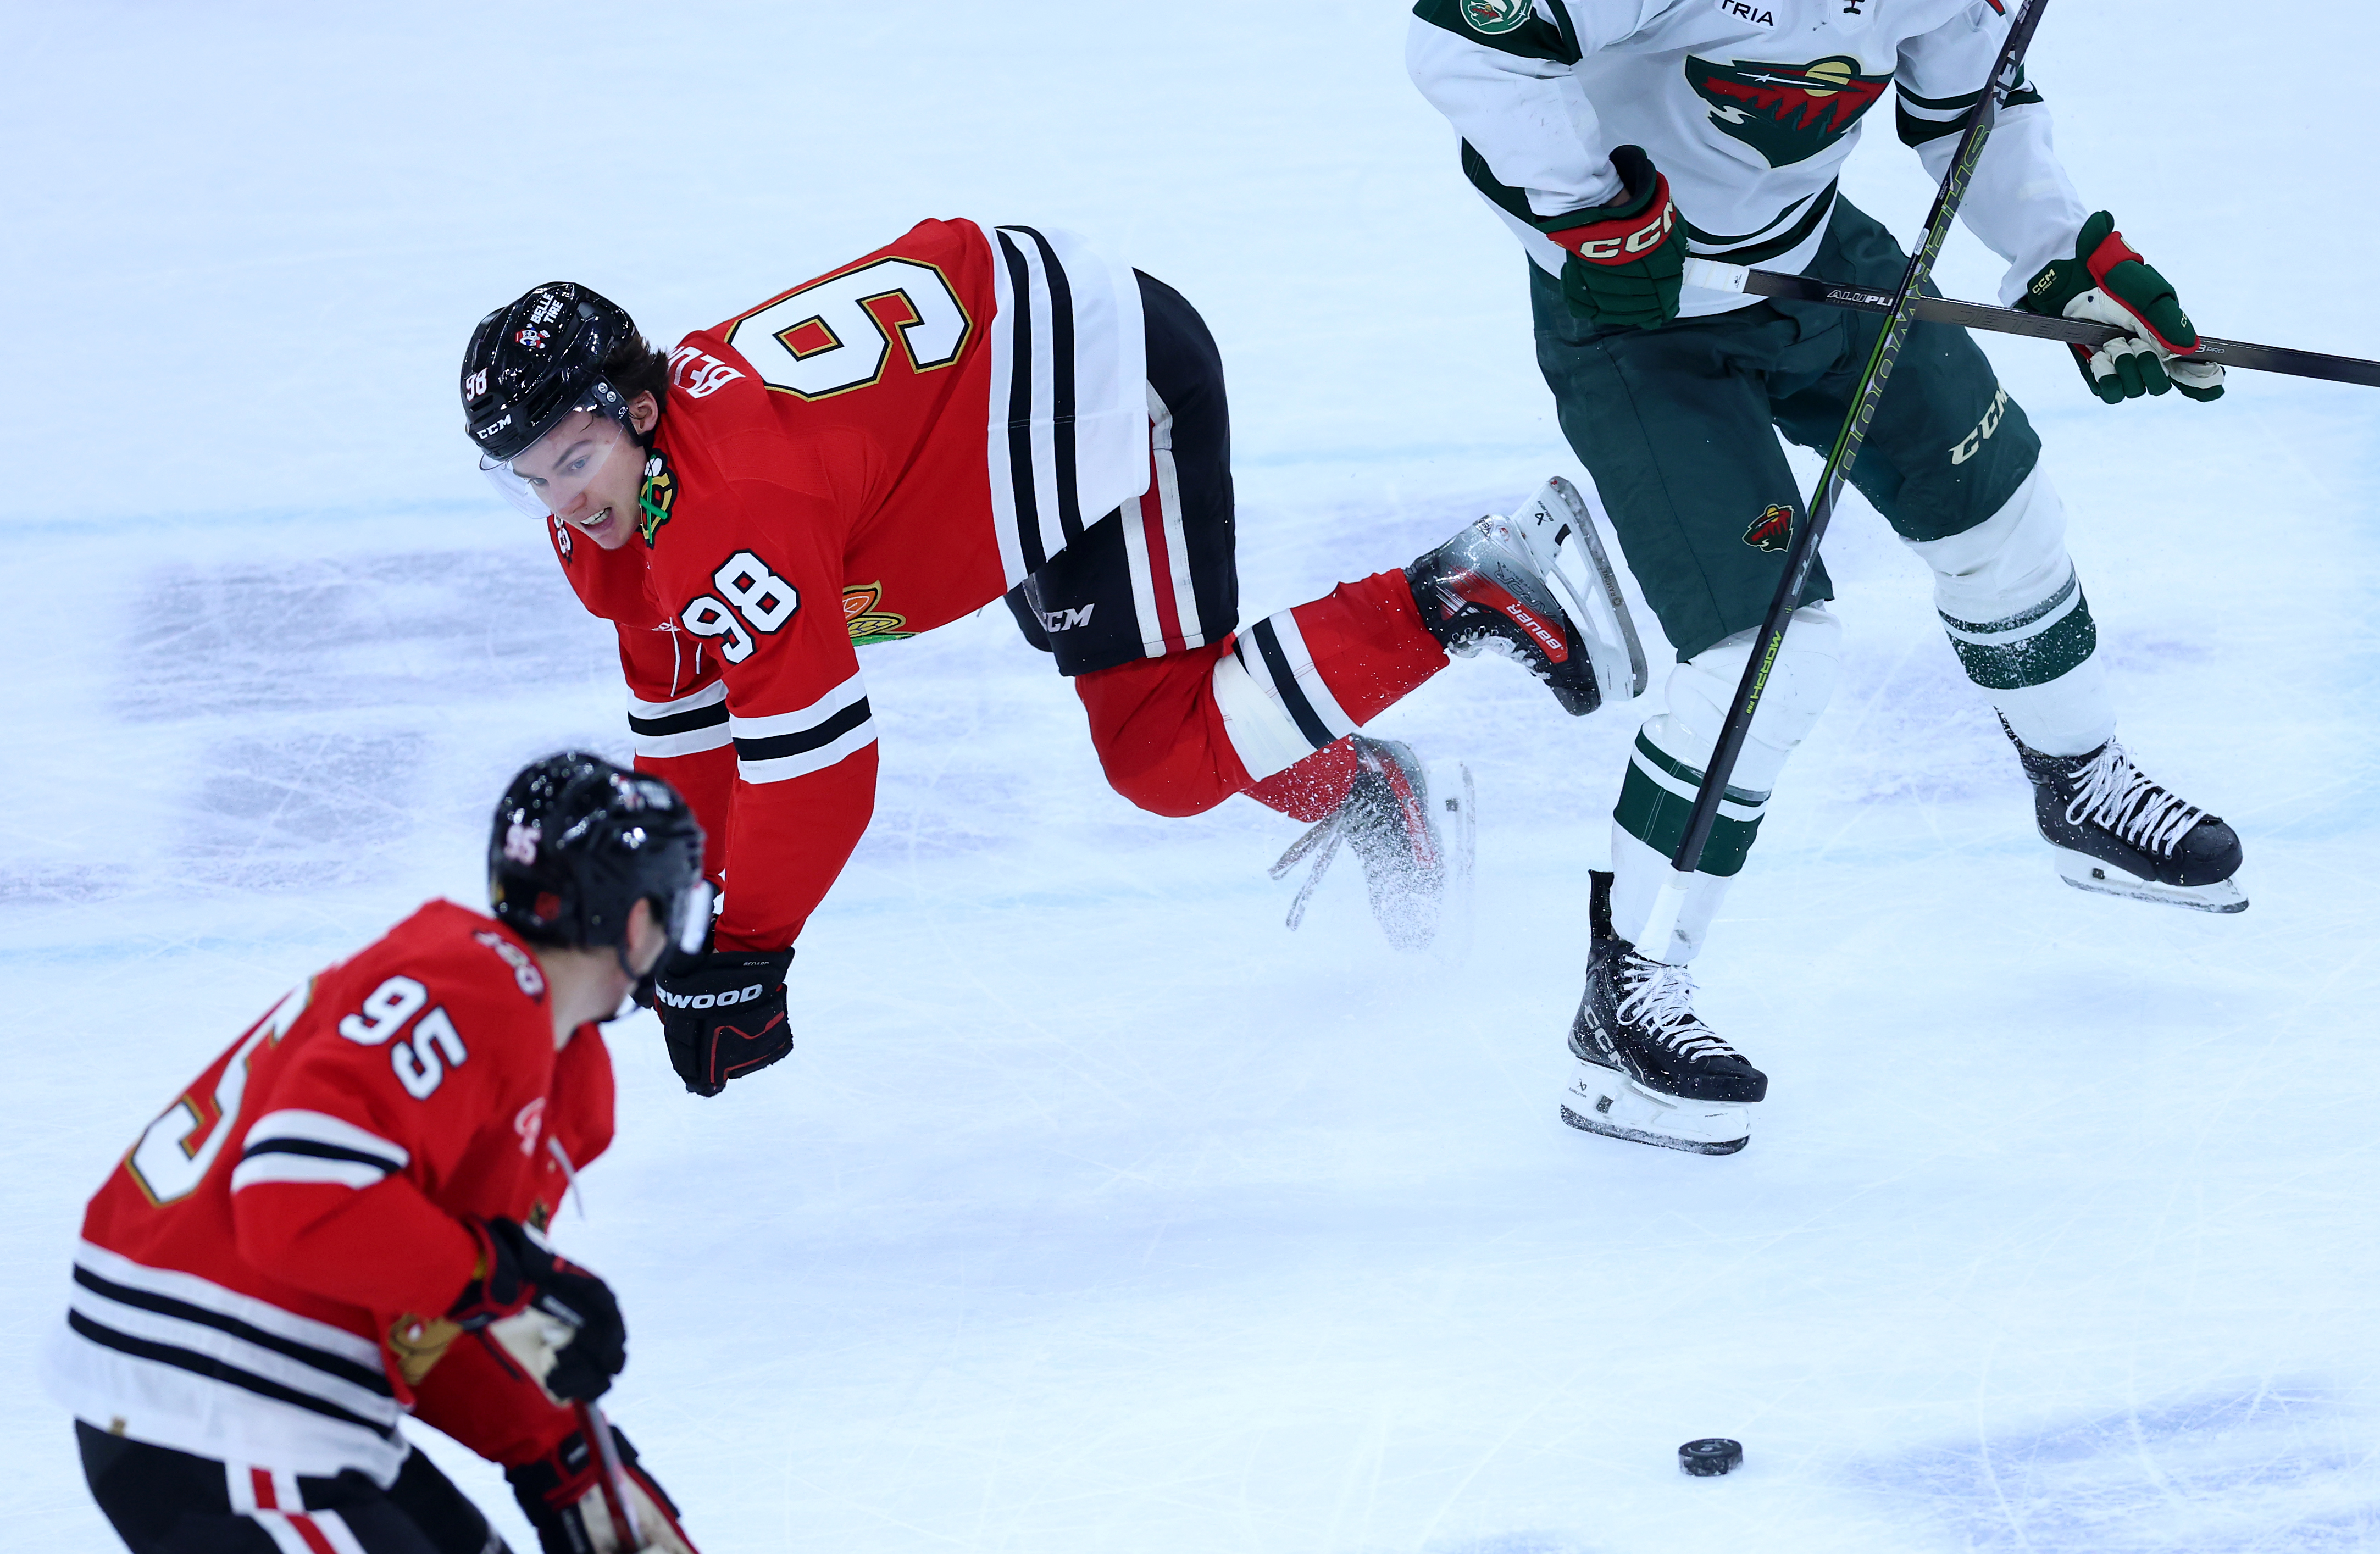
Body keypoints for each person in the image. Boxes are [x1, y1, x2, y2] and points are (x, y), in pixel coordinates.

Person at [459, 220, 1648, 1097]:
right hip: (988, 417)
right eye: (531, 478)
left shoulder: (725, 515)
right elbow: (688, 728)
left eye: (574, 461)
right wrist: (672, 923)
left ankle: (1466, 591)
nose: (564, 502)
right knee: (1164, 711)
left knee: (1166, 749)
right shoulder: (626, 512)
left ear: (642, 415)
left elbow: (818, 772)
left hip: (1098, 386)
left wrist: (753, 946)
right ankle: (1381, 790)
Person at [1406, 0, 2245, 1154]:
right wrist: (1589, 209)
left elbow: (1973, 110)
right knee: (1766, 658)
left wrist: (2063, 255)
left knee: (1999, 509)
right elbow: (1468, 41)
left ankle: (2080, 783)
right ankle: (1630, 981)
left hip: (1814, 264)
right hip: (1637, 313)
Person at [46, 753, 712, 1554]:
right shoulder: (482, 987)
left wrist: (560, 1455)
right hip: (218, 1403)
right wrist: (510, 1278)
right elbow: (296, 1199)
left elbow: (413, 1293)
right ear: (638, 922)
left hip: (285, 1406)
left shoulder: (551, 1056)